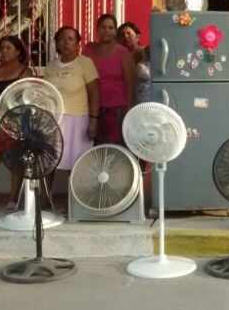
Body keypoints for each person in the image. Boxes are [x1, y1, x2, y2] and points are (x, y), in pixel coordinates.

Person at [44, 26, 100, 205]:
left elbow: (95, 94)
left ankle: (75, 203)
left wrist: (93, 120)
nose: (66, 42)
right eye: (62, 39)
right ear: (56, 43)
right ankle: (45, 200)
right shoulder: (51, 66)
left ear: (78, 43)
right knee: (49, 161)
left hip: (78, 119)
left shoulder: (85, 63)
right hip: (54, 119)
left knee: (77, 163)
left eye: (70, 39)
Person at [0, 36, 33, 213]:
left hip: (16, 121)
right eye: (1, 48)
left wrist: (10, 114)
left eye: (8, 48)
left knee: (15, 160)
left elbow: (28, 96)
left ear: (18, 51)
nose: (4, 52)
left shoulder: (25, 72)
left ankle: (13, 199)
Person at [83, 14, 135, 145]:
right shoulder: (88, 49)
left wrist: (129, 108)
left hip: (116, 109)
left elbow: (130, 83)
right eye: (103, 27)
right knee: (92, 147)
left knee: (115, 149)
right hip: (91, 108)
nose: (106, 30)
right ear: (97, 29)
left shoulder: (123, 53)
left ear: (115, 31)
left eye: (111, 28)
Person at [117, 22, 151, 104]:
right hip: (123, 105)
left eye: (129, 33)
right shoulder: (117, 58)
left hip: (146, 105)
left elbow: (158, 46)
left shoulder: (146, 51)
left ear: (137, 37)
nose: (125, 36)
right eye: (122, 34)